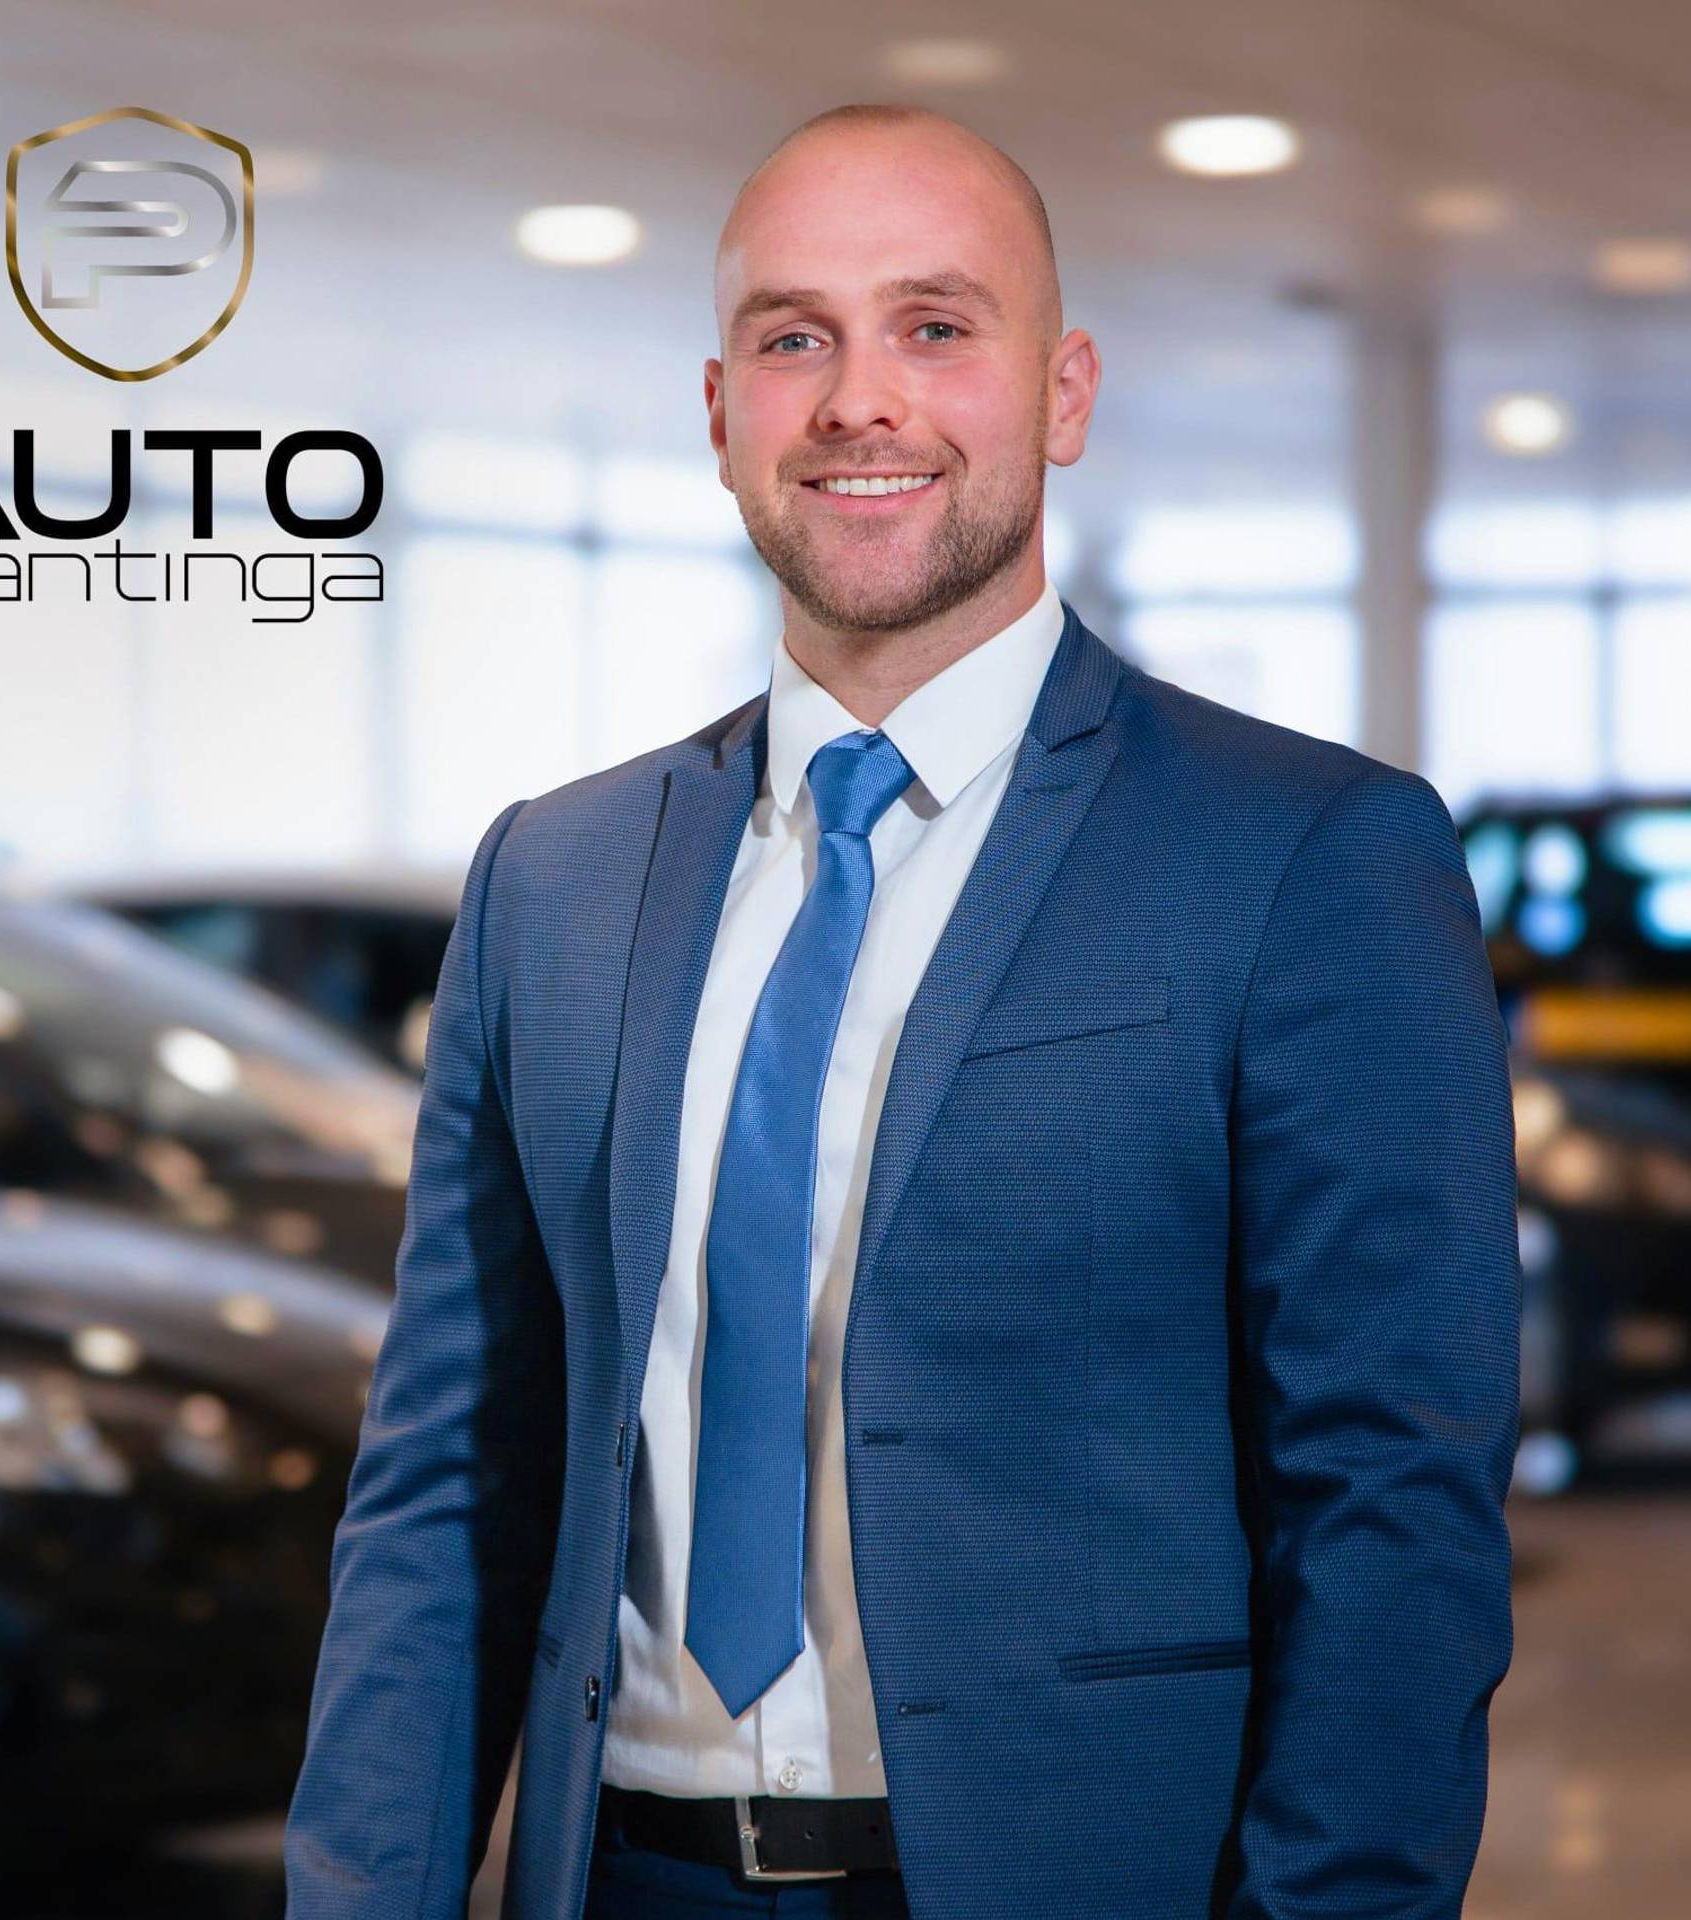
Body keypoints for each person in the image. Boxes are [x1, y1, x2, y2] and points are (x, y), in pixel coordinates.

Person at [282, 103, 1520, 1920]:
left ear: (1063, 393)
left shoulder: (1305, 858)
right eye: (796, 339)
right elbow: (448, 1481)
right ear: (723, 416)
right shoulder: (553, 878)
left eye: (935, 327)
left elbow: (1392, 1504)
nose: (862, 400)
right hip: (627, 1879)